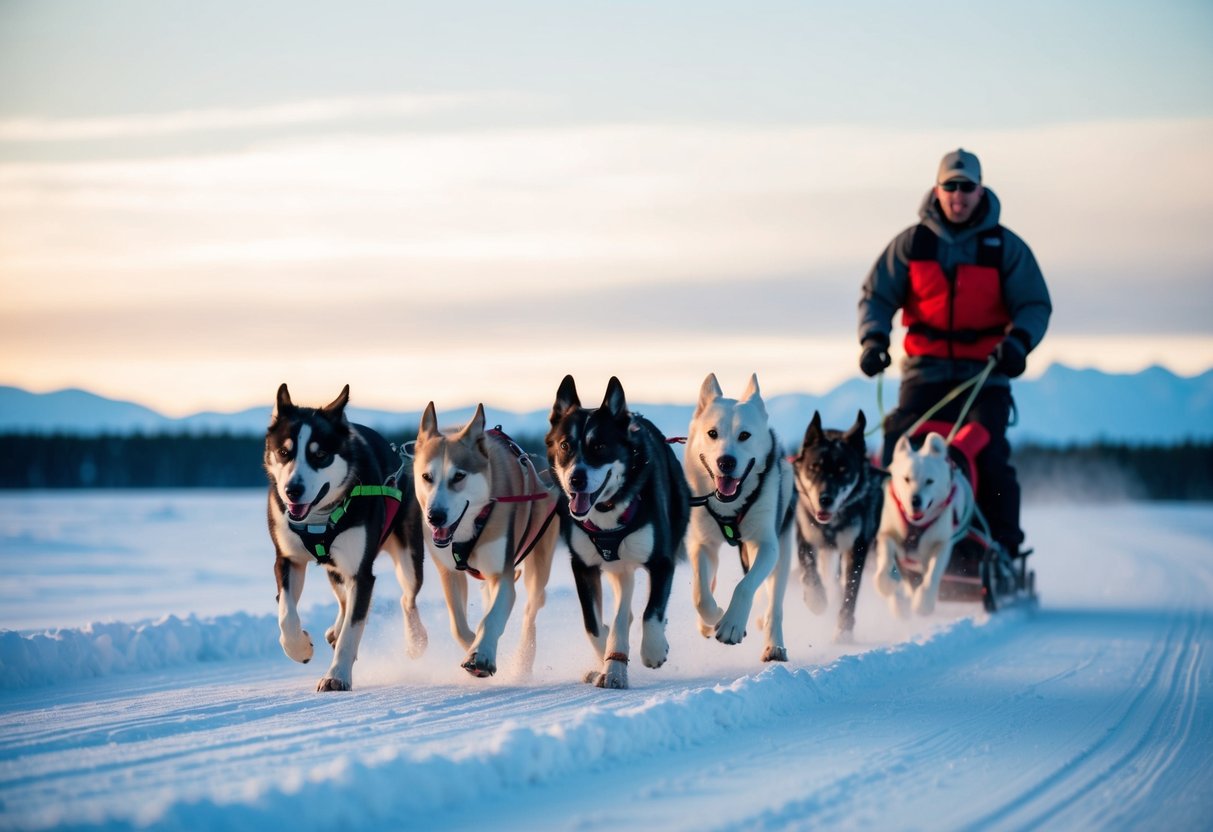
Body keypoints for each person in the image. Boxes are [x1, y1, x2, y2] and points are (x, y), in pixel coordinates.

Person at [857, 148, 1052, 559]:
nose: (958, 195)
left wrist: (1018, 343)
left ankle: (1002, 546)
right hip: (924, 375)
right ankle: (881, 540)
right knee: (897, 447)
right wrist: (874, 339)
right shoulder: (913, 244)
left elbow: (1034, 304)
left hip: (986, 376)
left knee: (988, 454)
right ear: (937, 189)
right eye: (951, 186)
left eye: (967, 187)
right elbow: (876, 295)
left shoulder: (1005, 248)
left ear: (981, 190)